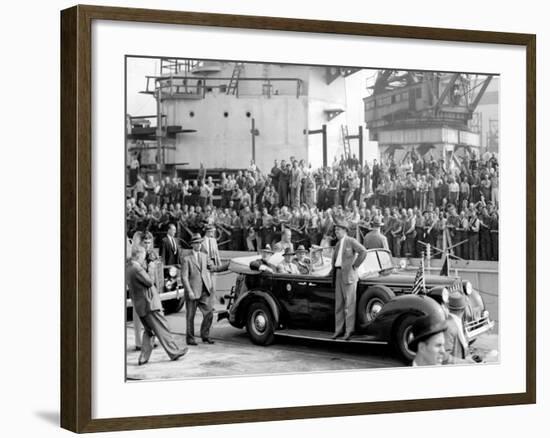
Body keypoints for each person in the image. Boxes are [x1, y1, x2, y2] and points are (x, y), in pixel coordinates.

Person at [126, 246, 188, 365]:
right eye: (143, 256)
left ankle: (143, 358)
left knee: (149, 332)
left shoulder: (128, 267)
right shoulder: (137, 268)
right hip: (150, 304)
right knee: (163, 327)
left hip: (140, 306)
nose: (144, 258)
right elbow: (149, 282)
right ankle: (174, 352)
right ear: (138, 255)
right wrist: (151, 267)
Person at [180, 233, 225, 345]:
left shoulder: (205, 256)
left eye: (200, 242)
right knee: (190, 316)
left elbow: (213, 268)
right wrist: (189, 291)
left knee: (209, 313)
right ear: (192, 245)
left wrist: (227, 266)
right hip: (193, 291)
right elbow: (184, 277)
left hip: (205, 290)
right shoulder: (186, 258)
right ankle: (190, 339)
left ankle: (205, 335)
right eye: (196, 243)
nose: (199, 245)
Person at [331, 221, 367, 340]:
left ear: (345, 230)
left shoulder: (351, 241)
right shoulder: (337, 244)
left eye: (338, 230)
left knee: (349, 305)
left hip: (349, 276)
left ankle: (349, 331)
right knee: (339, 305)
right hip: (338, 274)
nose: (336, 232)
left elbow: (363, 251)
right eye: (335, 230)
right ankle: (338, 330)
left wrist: (355, 266)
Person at [443, 291, 477, 364]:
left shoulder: (456, 322)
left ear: (448, 307)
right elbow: (444, 357)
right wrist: (464, 362)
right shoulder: (449, 327)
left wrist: (469, 357)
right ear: (464, 308)